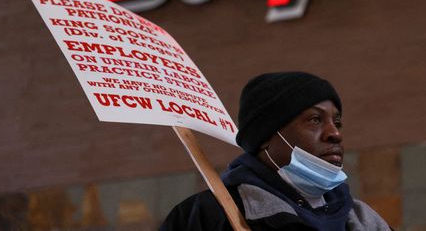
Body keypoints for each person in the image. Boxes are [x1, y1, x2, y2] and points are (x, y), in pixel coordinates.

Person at [160, 71, 391, 230]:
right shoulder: (206, 216)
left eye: (337, 122)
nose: (335, 133)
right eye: (314, 120)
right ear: (265, 137)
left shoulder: (363, 219)